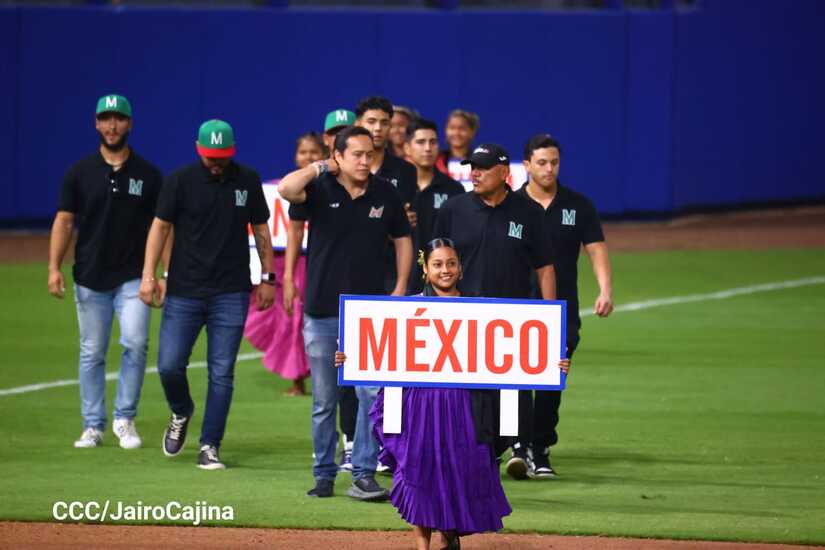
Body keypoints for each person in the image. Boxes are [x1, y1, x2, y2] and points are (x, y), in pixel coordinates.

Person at [336, 238, 570, 550]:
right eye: (437, 264)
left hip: (465, 407)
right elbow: (375, 348)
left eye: (451, 263)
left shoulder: (481, 310)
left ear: (460, 268)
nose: (445, 270)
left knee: (460, 472)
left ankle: (449, 535)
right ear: (425, 269)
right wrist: (348, 357)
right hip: (418, 405)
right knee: (418, 472)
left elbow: (516, 351)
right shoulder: (403, 310)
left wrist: (553, 362)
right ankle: (422, 546)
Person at [278, 125, 413, 500]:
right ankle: (323, 475)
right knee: (324, 400)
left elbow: (403, 238)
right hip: (321, 309)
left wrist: (401, 286)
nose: (365, 161)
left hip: (368, 313)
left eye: (369, 154)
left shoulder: (385, 192)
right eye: (356, 154)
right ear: (337, 156)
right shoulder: (319, 187)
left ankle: (364, 474)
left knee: (370, 395)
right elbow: (286, 189)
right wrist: (320, 167)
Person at [140, 119, 275, 470]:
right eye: (210, 156)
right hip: (184, 290)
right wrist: (149, 276)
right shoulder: (179, 181)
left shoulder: (247, 180)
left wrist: (268, 277)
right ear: (198, 149)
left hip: (231, 291)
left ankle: (210, 444)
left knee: (222, 372)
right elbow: (160, 227)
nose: (216, 163)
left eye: (222, 156)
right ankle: (181, 410)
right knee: (169, 365)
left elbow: (261, 228)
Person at [48, 93, 163, 450]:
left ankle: (124, 419)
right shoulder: (79, 173)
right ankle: (93, 425)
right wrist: (53, 267)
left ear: (130, 124)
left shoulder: (148, 175)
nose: (112, 125)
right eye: (106, 118)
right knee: (92, 352)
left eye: (119, 119)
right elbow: (64, 221)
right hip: (90, 276)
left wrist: (162, 273)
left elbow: (162, 226)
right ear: (96, 124)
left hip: (133, 276)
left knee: (136, 344)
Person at [514, 133, 614, 479]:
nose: (549, 169)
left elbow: (596, 248)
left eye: (554, 162)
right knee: (514, 378)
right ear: (527, 165)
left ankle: (540, 447)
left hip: (561, 310)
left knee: (552, 379)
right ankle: (518, 444)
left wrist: (605, 289)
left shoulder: (578, 205)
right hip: (517, 308)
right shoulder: (511, 205)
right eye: (542, 162)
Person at [285, 115, 360, 469]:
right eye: (333, 133)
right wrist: (288, 276)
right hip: (324, 296)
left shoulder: (374, 179)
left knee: (360, 384)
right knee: (326, 391)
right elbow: (294, 223)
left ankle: (356, 449)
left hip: (364, 293)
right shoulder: (316, 183)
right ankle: (326, 465)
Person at [244, 132, 324, 397]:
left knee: (302, 317)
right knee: (287, 319)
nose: (308, 157)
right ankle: (297, 378)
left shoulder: (328, 188)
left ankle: (310, 376)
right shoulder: (278, 189)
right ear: (295, 156)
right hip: (282, 264)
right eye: (303, 152)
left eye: (314, 152)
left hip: (312, 263)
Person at [355, 96, 418, 292]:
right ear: (358, 124)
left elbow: (403, 223)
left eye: (384, 123)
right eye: (371, 121)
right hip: (350, 267)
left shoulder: (406, 171)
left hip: (391, 270)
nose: (377, 128)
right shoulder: (344, 169)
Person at [403, 118, 464, 294]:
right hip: (397, 281)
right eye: (421, 142)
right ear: (407, 148)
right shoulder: (393, 187)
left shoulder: (454, 189)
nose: (428, 148)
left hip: (441, 282)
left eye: (433, 142)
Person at [434, 109, 480, 186]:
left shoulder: (480, 162)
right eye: (452, 128)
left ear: (472, 132)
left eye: (462, 128)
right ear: (446, 130)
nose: (456, 133)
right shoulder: (435, 161)